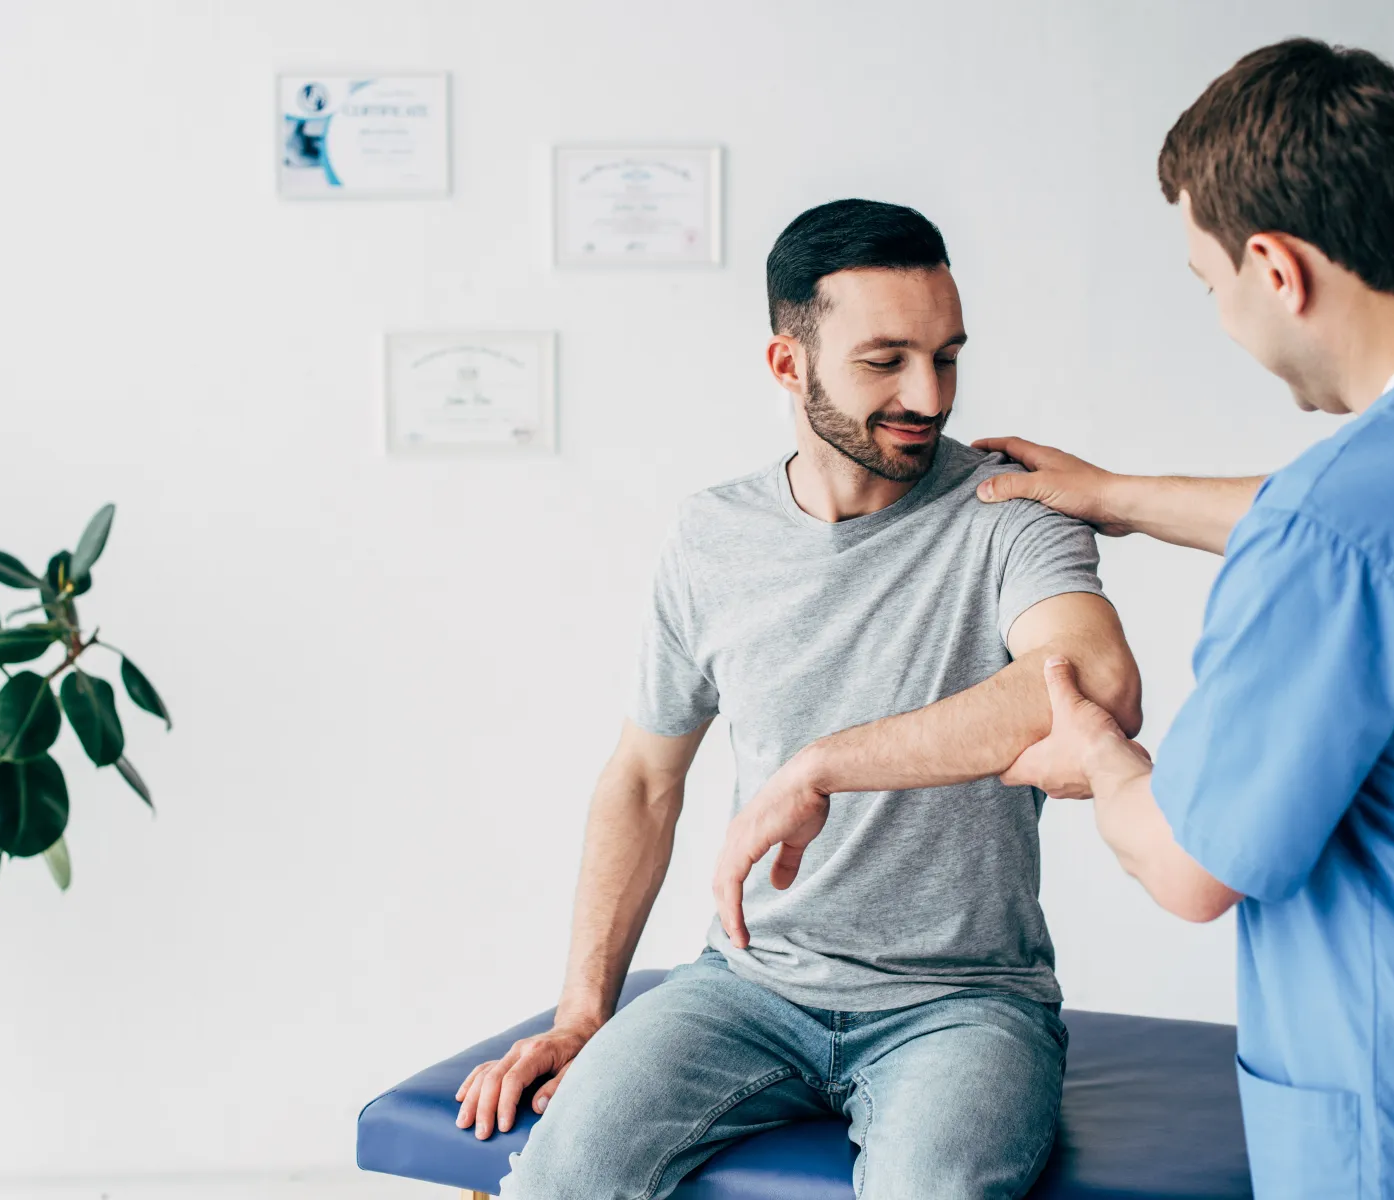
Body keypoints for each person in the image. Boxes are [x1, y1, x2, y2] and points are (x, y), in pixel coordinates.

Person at [454, 198, 1141, 1199]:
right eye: (885, 359)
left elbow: (1090, 685)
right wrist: (580, 1012)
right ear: (788, 364)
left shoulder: (1009, 509)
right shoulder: (711, 537)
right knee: (556, 1179)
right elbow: (645, 779)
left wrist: (822, 764)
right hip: (747, 986)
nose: (927, 392)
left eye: (946, 356)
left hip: (962, 1002)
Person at [970, 39, 1394, 1198]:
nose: (1221, 316)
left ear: (1275, 268)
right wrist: (1116, 497)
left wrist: (1095, 751)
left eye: (1208, 284)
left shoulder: (1341, 525)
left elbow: (1190, 867)